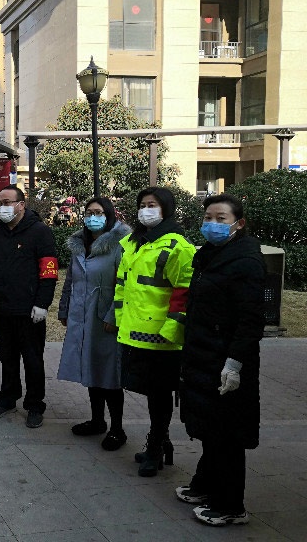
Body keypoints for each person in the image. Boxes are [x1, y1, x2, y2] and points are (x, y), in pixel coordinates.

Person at [177, 194, 265, 526]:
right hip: (203, 353)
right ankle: (205, 485)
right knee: (208, 426)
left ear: (238, 224)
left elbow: (251, 319)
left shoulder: (246, 262)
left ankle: (230, 506)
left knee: (227, 433)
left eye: (221, 219)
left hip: (226, 359)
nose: (212, 224)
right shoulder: (208, 255)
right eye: (208, 217)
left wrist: (235, 363)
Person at [115, 186, 195, 477]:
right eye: (142, 205)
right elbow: (123, 286)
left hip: (163, 339)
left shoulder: (178, 247)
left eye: (152, 205)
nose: (146, 210)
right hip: (135, 333)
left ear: (166, 209)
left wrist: (171, 331)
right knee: (150, 394)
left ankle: (156, 447)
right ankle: (160, 443)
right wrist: (120, 320)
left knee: (160, 396)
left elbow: (184, 294)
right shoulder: (133, 243)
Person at [0, 185, 58, 428]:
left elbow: (49, 272)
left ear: (21, 205)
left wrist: (42, 303)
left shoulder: (40, 232)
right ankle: (8, 398)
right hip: (2, 307)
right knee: (7, 357)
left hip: (29, 311)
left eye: (7, 202)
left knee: (33, 360)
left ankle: (35, 405)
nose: (2, 207)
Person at [58, 197, 131, 447]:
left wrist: (114, 316)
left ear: (109, 215)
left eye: (99, 212)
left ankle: (117, 429)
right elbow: (70, 280)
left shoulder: (121, 245)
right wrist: (64, 309)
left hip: (106, 319)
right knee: (90, 367)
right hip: (82, 316)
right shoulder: (80, 244)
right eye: (89, 212)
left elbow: (125, 284)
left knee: (109, 373)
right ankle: (97, 420)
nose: (93, 217)